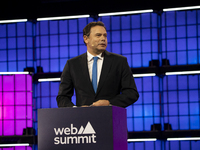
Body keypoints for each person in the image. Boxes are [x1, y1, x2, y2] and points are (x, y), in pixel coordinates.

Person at [56, 21, 139, 108]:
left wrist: (109, 103)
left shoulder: (119, 62)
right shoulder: (72, 64)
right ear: (86, 38)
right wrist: (76, 110)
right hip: (82, 119)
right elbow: (62, 97)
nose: (103, 38)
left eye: (105, 35)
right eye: (98, 35)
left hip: (111, 117)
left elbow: (132, 93)